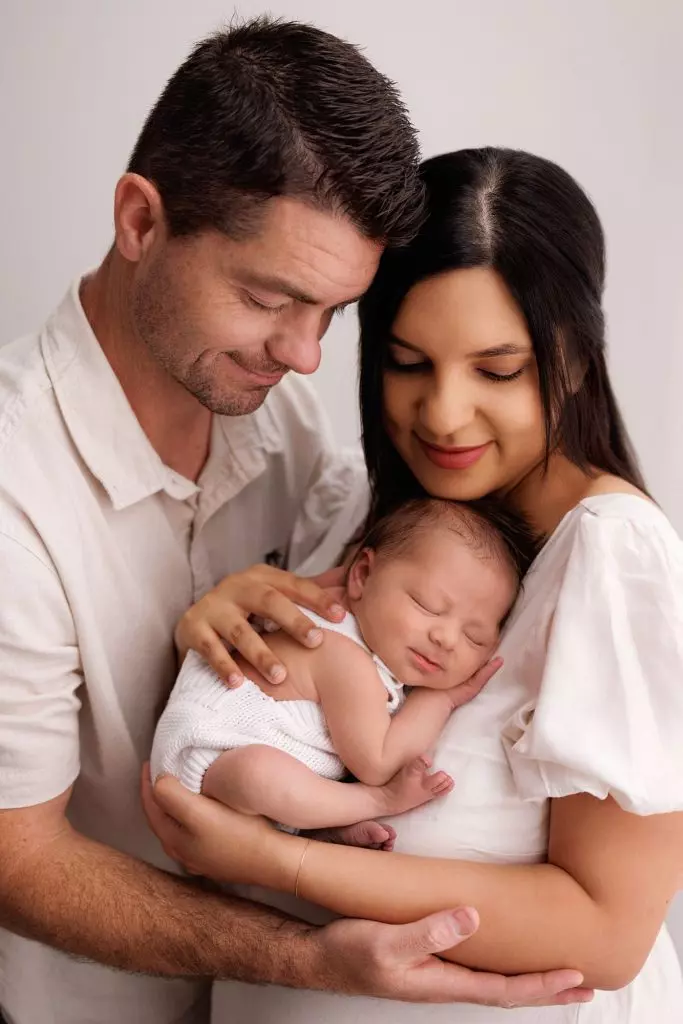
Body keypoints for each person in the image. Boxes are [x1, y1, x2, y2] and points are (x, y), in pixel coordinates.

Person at [0, 18, 584, 1024]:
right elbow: (20, 856)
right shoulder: (16, 491)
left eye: (333, 313)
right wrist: (314, 960)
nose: (306, 355)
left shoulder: (279, 414)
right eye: (270, 298)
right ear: (140, 220)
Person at [151, 147, 683, 1023]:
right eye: (406, 362)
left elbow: (605, 934)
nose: (440, 415)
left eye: (496, 370)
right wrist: (214, 633)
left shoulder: (609, 557)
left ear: (576, 360)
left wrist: (272, 861)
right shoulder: (385, 511)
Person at [151, 498, 534, 839]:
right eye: (428, 605)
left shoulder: (359, 618)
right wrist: (444, 697)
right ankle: (370, 804)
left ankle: (328, 828)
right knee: (260, 775)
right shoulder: (342, 657)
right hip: (205, 762)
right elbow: (378, 761)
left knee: (275, 779)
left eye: (475, 637)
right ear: (363, 576)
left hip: (241, 772)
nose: (447, 639)